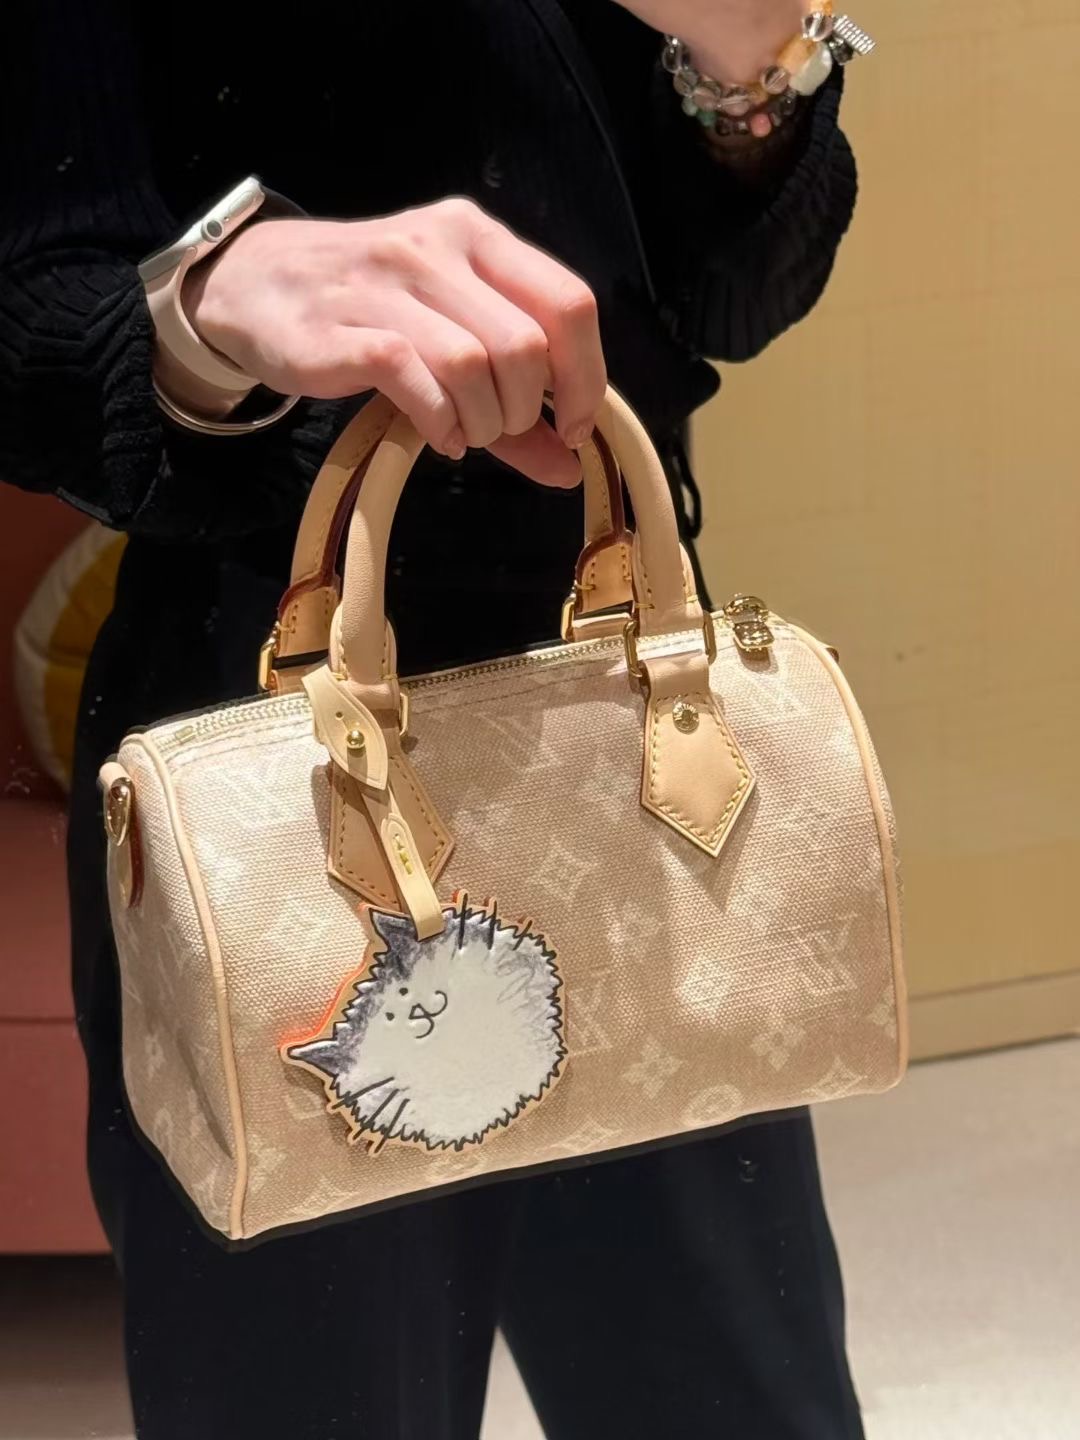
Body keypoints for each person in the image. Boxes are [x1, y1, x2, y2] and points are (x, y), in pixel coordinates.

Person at [2, 2, 865, 1436]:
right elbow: (34, 307)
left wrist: (748, 69)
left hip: (620, 706)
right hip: (263, 738)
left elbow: (729, 303)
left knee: (735, 1397)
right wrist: (206, 306)